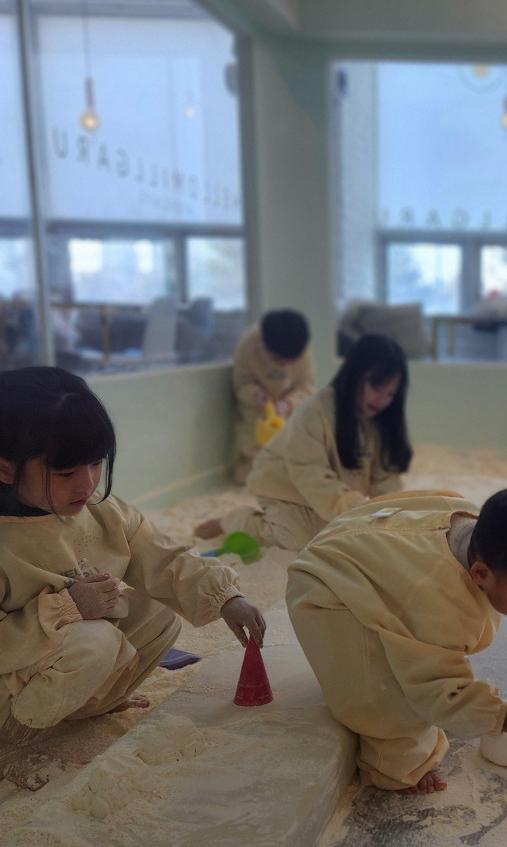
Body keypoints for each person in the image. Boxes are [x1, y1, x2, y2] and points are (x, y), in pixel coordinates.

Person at [0, 367, 266, 792]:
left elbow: (162, 558)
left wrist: (225, 596)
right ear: (5, 468)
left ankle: (89, 706)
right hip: (11, 686)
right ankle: (9, 743)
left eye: (95, 464)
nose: (87, 483)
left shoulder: (101, 510)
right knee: (96, 642)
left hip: (67, 663)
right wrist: (68, 607)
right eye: (66, 473)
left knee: (161, 610)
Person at [285, 485, 507, 794]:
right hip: (325, 588)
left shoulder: (480, 528)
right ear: (481, 574)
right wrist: (499, 716)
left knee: (420, 649)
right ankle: (394, 769)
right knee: (387, 696)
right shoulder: (436, 601)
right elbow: (435, 686)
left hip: (354, 540)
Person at [197, 333, 411, 553]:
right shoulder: (315, 411)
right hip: (286, 485)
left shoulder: (379, 423)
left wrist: (390, 514)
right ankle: (240, 521)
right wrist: (353, 508)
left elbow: (385, 480)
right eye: (376, 387)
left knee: (343, 534)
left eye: (390, 394)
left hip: (329, 495)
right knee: (304, 540)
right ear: (355, 375)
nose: (382, 400)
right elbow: (310, 472)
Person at [231, 308, 316, 485]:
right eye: (278, 359)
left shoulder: (301, 347)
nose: (284, 365)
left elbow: (307, 386)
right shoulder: (249, 344)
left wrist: (290, 402)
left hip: (290, 404)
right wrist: (255, 394)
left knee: (296, 443)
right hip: (257, 406)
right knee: (252, 446)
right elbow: (241, 382)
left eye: (290, 361)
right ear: (263, 341)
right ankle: (253, 478)